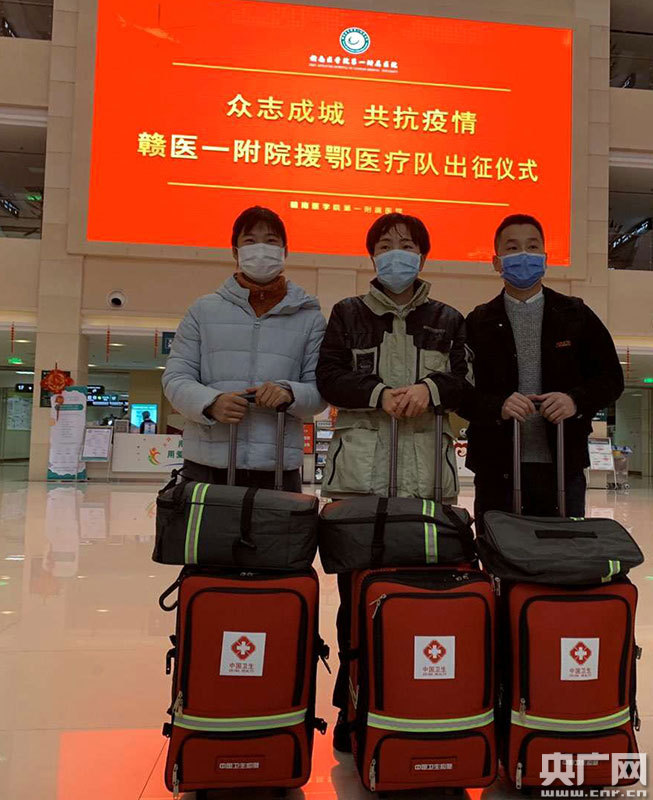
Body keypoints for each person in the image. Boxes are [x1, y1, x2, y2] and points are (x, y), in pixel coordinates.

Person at [316, 212, 473, 751]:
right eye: (385, 245)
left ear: (422, 256)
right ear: (372, 256)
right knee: (353, 600)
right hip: (359, 480)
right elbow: (329, 377)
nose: (396, 253)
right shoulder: (347, 313)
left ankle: (413, 702)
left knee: (421, 599)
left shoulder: (448, 319)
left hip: (427, 480)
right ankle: (352, 707)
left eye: (406, 245)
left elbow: (466, 382)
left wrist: (430, 389)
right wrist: (379, 393)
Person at [463, 213, 624, 532]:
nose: (523, 255)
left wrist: (574, 401)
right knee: (499, 551)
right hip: (497, 468)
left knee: (560, 552)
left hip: (563, 465)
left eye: (532, 246)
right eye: (512, 248)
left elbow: (610, 378)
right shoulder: (478, 322)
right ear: (497, 262)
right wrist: (498, 406)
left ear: (545, 259)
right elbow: (460, 392)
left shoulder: (575, 315)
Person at [163, 206, 327, 491]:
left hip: (278, 469)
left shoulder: (309, 318)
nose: (261, 249)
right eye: (250, 241)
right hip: (206, 466)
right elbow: (175, 377)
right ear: (235, 252)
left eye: (271, 241)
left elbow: (320, 390)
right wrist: (211, 403)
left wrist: (290, 393)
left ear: (285, 252)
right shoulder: (203, 310)